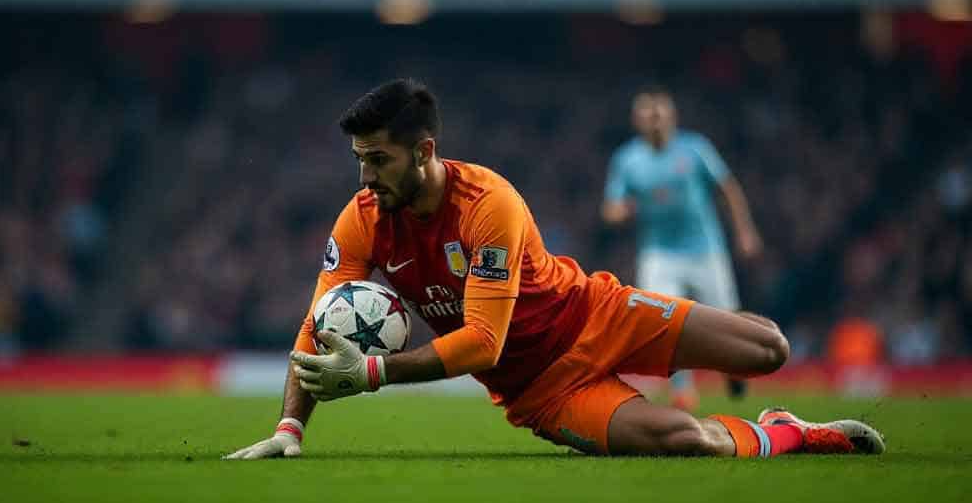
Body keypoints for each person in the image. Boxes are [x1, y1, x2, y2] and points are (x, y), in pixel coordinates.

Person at [225, 79, 884, 460]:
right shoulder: (364, 218)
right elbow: (318, 324)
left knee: (769, 348)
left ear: (424, 151)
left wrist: (373, 372)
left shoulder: (489, 204)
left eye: (378, 159)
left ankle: (747, 376)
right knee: (692, 442)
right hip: (543, 391)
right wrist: (290, 426)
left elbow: (481, 339)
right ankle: (786, 433)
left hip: (598, 313)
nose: (365, 176)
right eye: (359, 160)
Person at [601, 86, 762, 411]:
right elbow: (610, 208)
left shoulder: (695, 149)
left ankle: (734, 368)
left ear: (672, 116)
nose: (655, 119)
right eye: (648, 113)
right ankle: (682, 389)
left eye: (659, 112)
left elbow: (727, 188)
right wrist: (620, 212)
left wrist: (745, 231)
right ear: (637, 120)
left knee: (727, 317)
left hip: (706, 249)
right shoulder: (627, 159)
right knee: (664, 321)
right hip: (659, 254)